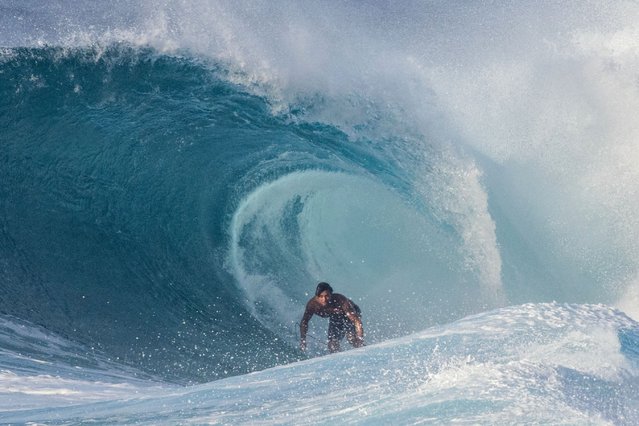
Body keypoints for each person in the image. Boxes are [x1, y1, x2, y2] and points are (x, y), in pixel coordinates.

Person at [300, 282, 364, 353]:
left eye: (327, 296)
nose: (324, 299)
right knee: (332, 346)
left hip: (351, 312)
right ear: (317, 296)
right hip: (336, 317)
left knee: (352, 339)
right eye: (321, 296)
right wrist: (303, 340)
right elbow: (304, 322)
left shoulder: (339, 300)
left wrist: (360, 338)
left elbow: (356, 321)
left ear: (331, 294)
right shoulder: (312, 305)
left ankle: (364, 350)